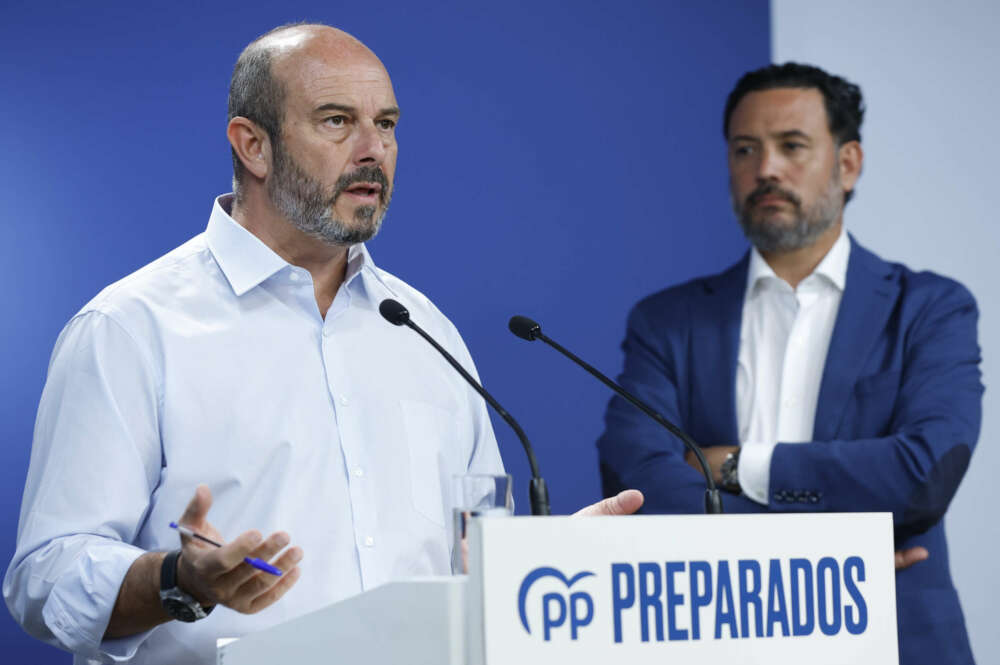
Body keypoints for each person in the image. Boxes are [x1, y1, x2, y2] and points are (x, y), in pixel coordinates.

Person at [4, 23, 642, 665]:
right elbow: (45, 576)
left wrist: (541, 571)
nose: (374, 150)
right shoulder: (132, 328)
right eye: (337, 121)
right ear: (253, 145)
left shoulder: (423, 329)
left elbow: (472, 559)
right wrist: (178, 581)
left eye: (387, 125)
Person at [597, 62, 981, 664]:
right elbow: (637, 478)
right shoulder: (666, 322)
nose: (765, 169)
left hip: (897, 637)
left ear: (847, 163)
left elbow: (921, 473)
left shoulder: (930, 309)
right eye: (745, 149)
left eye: (791, 146)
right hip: (717, 641)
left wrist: (738, 467)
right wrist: (814, 557)